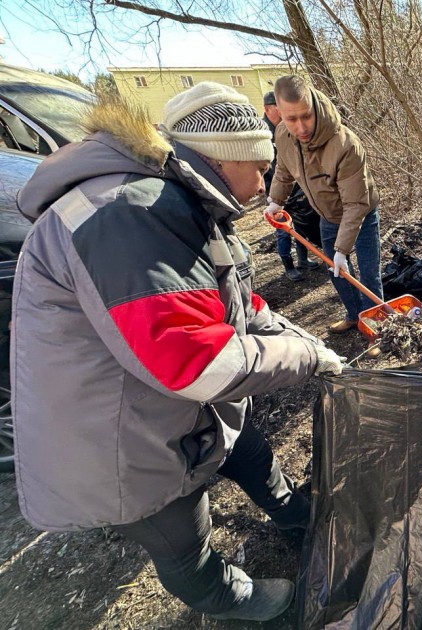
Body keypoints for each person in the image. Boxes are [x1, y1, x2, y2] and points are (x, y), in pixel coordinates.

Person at [13, 82, 344, 621]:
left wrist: (291, 333)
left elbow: (226, 296)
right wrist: (303, 359)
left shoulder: (181, 201)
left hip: (169, 405)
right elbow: (197, 362)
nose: (264, 184)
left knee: (250, 451)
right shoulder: (128, 214)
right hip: (118, 435)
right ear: (221, 157)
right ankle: (230, 599)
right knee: (181, 539)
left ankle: (294, 514)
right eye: (259, 167)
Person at [266, 75, 383, 357]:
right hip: (328, 216)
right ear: (280, 113)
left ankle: (378, 330)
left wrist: (343, 249)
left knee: (368, 274)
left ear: (315, 107)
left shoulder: (345, 144)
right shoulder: (284, 134)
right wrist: (274, 200)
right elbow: (284, 168)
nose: (301, 127)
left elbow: (356, 203)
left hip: (362, 213)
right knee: (338, 274)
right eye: (292, 119)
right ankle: (355, 316)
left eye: (306, 116)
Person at [263, 90, 321, 281]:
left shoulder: (288, 128)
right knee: (283, 230)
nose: (281, 113)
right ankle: (288, 266)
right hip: (276, 190)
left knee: (302, 227)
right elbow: (270, 167)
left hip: (297, 187)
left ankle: (303, 260)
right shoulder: (263, 133)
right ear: (267, 109)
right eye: (277, 109)